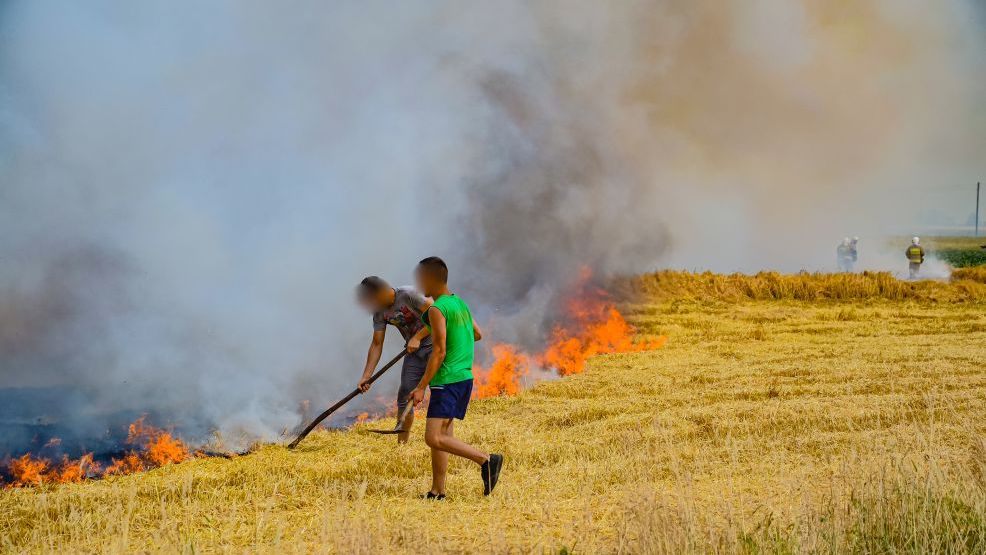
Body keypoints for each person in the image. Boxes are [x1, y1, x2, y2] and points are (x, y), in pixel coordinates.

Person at [409, 256, 503, 499]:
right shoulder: (459, 303)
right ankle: (437, 492)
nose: (419, 285)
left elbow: (439, 351)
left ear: (431, 278)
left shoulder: (438, 308)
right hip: (463, 377)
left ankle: (486, 460)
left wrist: (420, 387)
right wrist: (420, 337)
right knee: (443, 437)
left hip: (446, 380)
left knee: (433, 437)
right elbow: (477, 334)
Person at [355, 276, 433, 444]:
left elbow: (439, 316)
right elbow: (376, 344)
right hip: (414, 351)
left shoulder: (410, 294)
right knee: (405, 394)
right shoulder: (379, 312)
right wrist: (367, 376)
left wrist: (418, 337)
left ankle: (440, 439)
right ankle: (402, 446)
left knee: (439, 390)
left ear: (382, 291)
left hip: (437, 346)